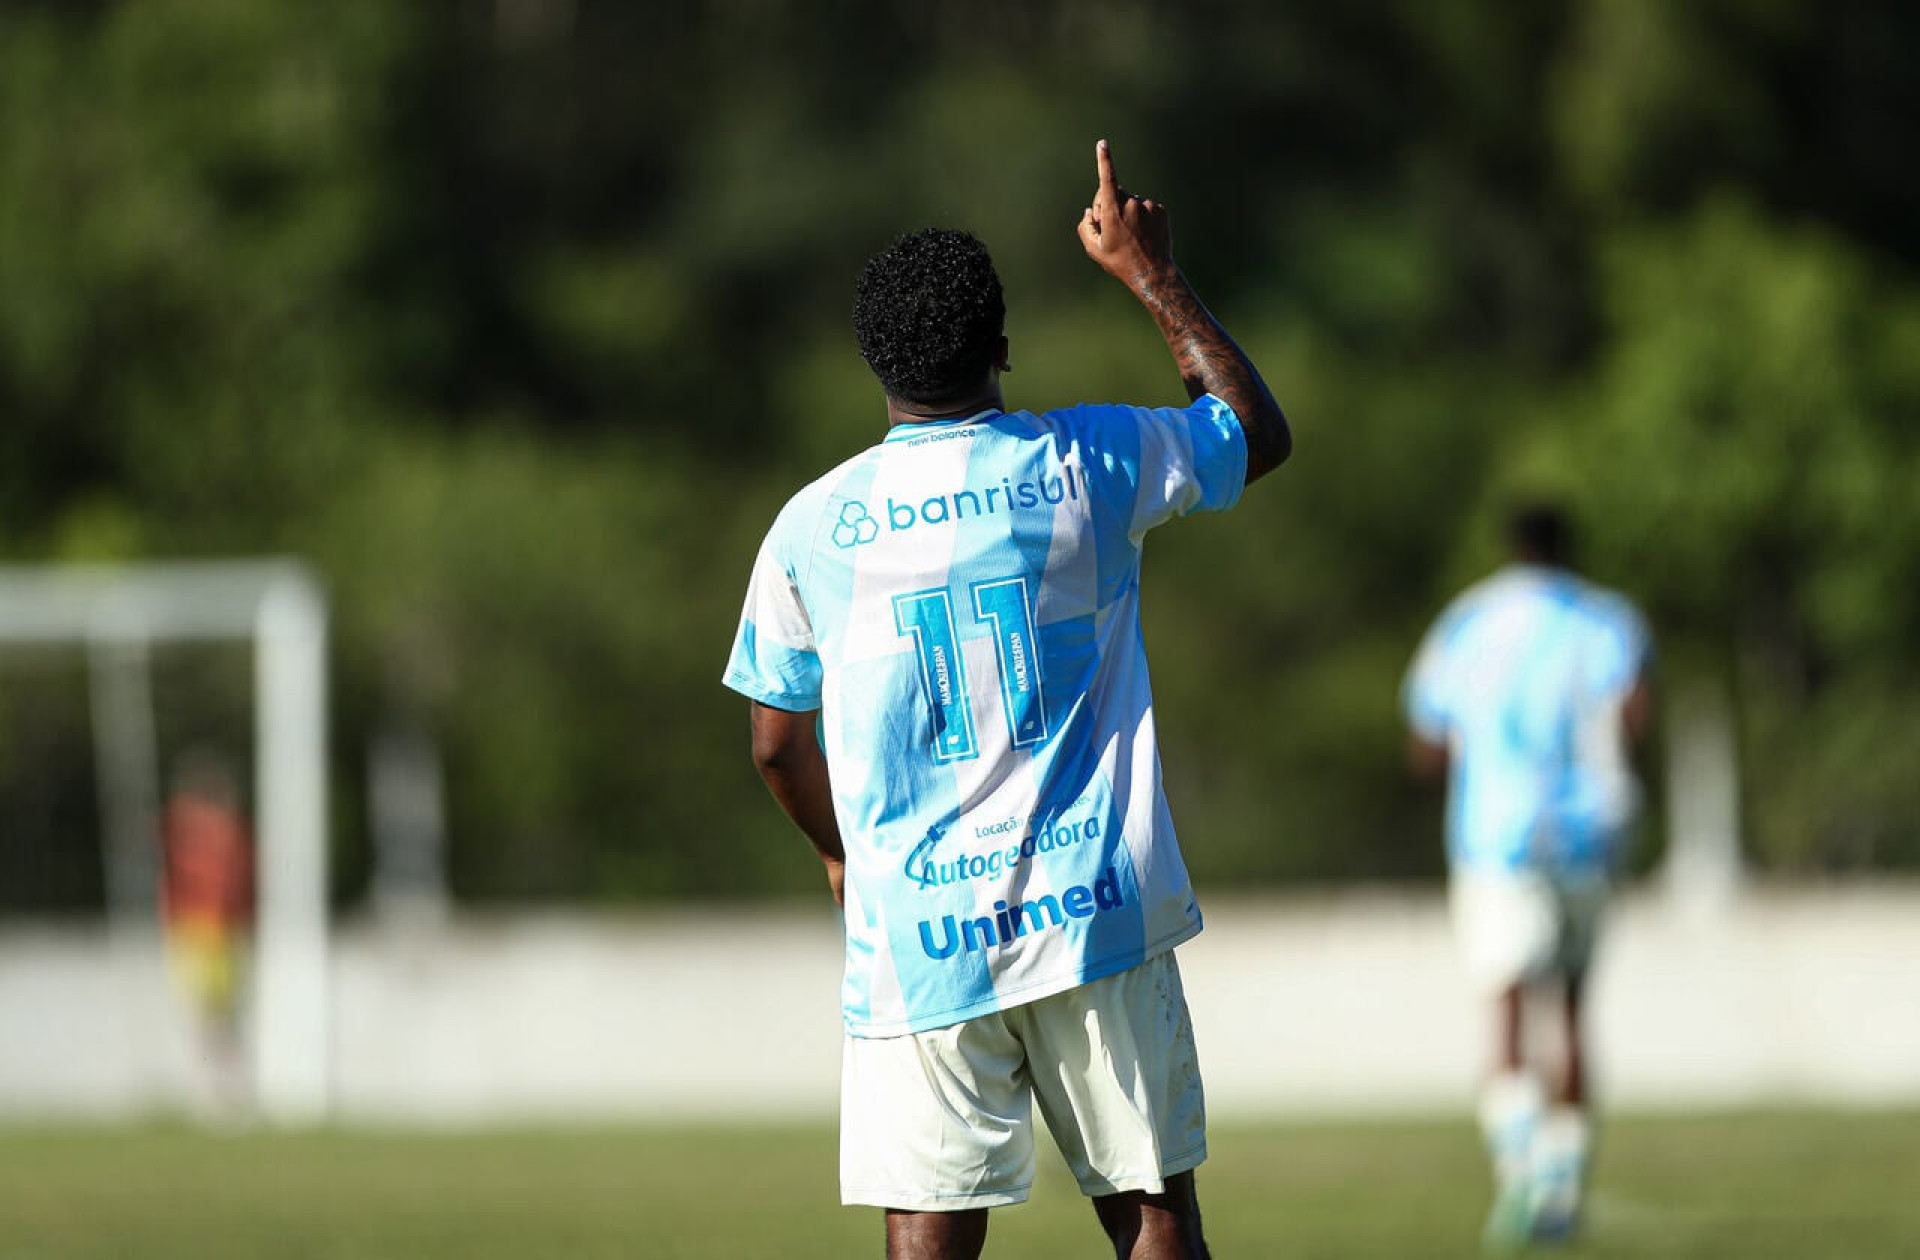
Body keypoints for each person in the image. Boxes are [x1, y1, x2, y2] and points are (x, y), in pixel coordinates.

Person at [722, 140, 1290, 1260]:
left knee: (927, 1237)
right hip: (1095, 913)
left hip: (920, 933)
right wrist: (1152, 274)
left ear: (874, 365)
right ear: (1003, 348)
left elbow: (777, 745)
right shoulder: (1090, 461)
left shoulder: (811, 530)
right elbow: (1251, 435)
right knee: (1153, 1217)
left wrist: (841, 854)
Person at [1401, 504, 1654, 1249]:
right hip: (1587, 834)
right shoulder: (1607, 621)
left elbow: (1427, 741)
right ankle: (1563, 1187)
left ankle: (1518, 1176)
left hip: (1498, 838)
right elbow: (1635, 714)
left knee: (1507, 1007)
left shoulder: (1467, 623)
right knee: (1571, 1009)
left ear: (1509, 547)